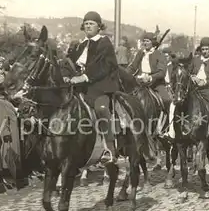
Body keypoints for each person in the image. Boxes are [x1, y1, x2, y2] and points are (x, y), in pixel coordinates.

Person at [64, 11, 120, 163]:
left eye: (92, 24)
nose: (88, 26)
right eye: (86, 23)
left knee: (101, 108)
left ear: (99, 26)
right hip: (80, 86)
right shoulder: (81, 45)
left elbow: (105, 66)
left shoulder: (104, 42)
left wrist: (85, 77)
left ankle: (109, 148)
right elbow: (72, 64)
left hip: (100, 85)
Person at [176, 36, 209, 143]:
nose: (204, 51)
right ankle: (175, 129)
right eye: (202, 49)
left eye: (206, 49)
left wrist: (205, 82)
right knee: (179, 103)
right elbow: (187, 73)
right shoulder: (195, 61)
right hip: (193, 89)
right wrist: (191, 77)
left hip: (208, 91)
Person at [127, 32, 169, 135]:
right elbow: (133, 67)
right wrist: (124, 74)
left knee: (167, 100)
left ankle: (166, 128)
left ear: (153, 43)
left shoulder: (160, 54)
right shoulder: (140, 53)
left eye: (147, 41)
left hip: (156, 84)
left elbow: (161, 72)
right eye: (144, 41)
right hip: (140, 82)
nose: (144, 43)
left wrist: (150, 77)